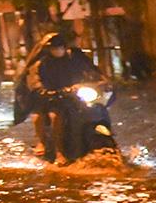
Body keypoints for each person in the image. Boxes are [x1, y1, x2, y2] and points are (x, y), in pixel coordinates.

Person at [14, 29, 102, 162]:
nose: (58, 50)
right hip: (52, 99)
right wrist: (47, 91)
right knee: (55, 116)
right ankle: (59, 151)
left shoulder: (73, 58)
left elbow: (90, 69)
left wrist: (103, 81)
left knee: (97, 108)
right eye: (55, 47)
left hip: (75, 97)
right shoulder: (40, 65)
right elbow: (36, 84)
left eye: (61, 46)